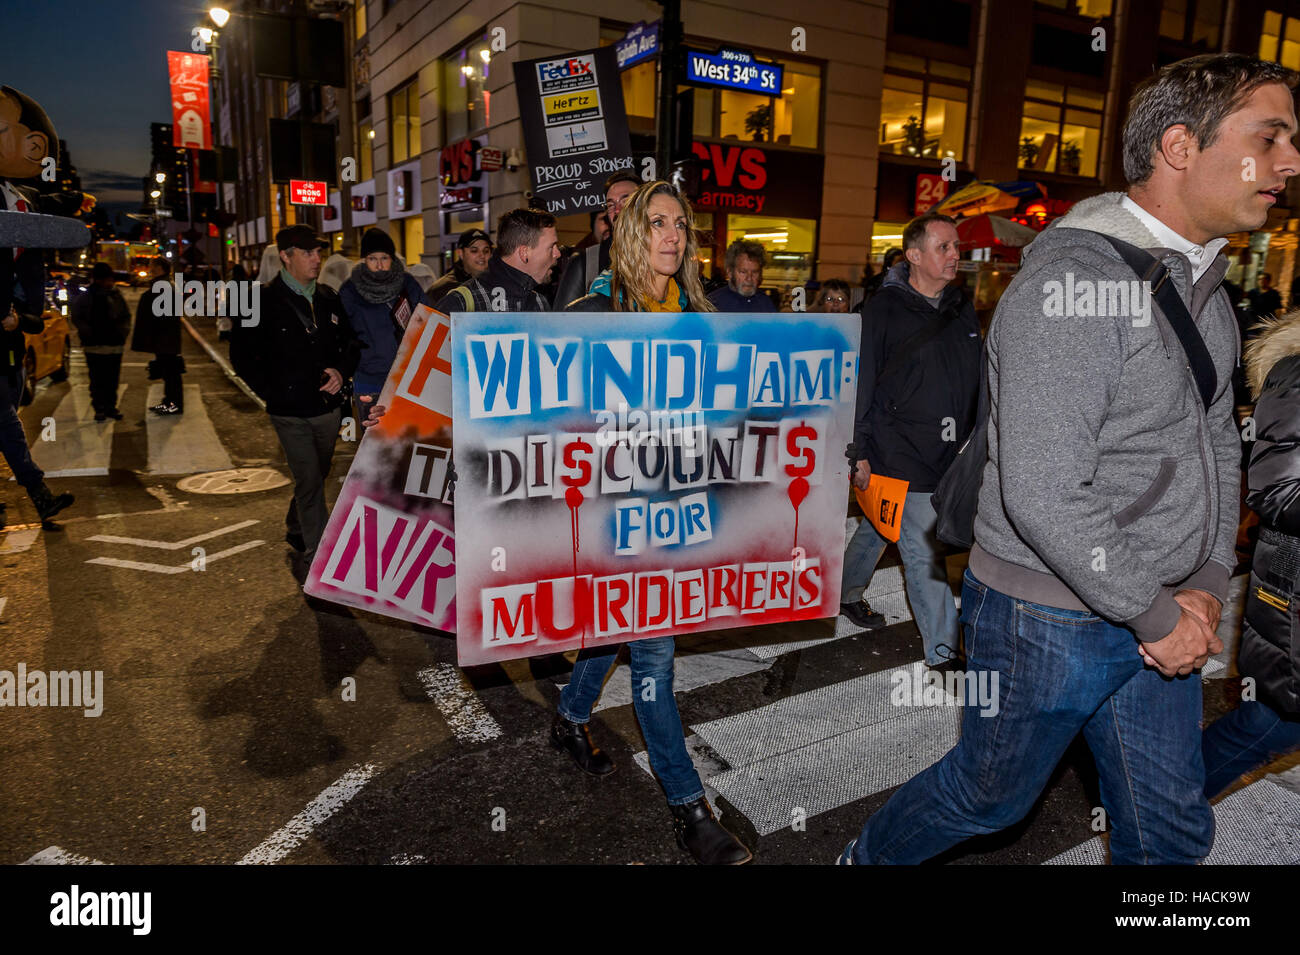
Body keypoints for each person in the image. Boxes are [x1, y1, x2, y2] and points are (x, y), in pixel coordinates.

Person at [841, 53, 1298, 867]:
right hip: (1045, 618)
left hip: (1156, 608)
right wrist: (1161, 617)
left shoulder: (1205, 284)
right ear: (1180, 146)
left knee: (1170, 833)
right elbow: (1047, 489)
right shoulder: (1074, 279)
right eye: (1270, 135)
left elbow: (1217, 443)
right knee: (989, 796)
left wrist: (1195, 583)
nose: (1290, 162)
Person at [561, 179, 751, 865]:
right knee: (654, 657)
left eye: (681, 224)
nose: (672, 234)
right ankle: (690, 808)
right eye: (658, 222)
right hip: (615, 515)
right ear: (632, 231)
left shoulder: (703, 318)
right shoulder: (590, 313)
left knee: (615, 630)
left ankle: (570, 714)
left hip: (677, 512)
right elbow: (527, 408)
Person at [841, 213, 980, 659]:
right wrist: (858, 449)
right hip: (900, 450)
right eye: (944, 247)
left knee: (880, 527)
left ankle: (842, 589)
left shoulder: (962, 307)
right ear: (914, 256)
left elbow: (979, 375)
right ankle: (943, 653)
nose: (955, 255)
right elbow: (862, 382)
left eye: (956, 247)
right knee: (923, 551)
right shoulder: (881, 310)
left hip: (952, 452)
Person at [1201, 311, 1300, 797]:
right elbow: (1278, 491)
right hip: (1294, 594)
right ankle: (1156, 808)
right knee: (1272, 726)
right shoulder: (1297, 369)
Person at [230, 225, 358, 564]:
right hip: (288, 412)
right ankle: (323, 553)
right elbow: (241, 357)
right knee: (309, 478)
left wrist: (340, 370)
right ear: (286, 256)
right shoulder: (260, 301)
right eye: (308, 252)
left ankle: (296, 524)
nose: (317, 258)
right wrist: (272, 393)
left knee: (317, 473)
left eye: (319, 252)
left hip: (328, 409)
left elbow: (351, 345)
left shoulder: (329, 297)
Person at [339, 228, 425, 420]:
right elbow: (342, 333)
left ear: (392, 259)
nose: (379, 265)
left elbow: (425, 319)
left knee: (406, 437)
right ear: (364, 260)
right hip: (369, 378)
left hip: (406, 376)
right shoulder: (350, 290)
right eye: (372, 258)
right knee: (374, 441)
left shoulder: (408, 284)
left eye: (384, 258)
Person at [431, 208, 559, 314]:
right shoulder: (460, 302)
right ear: (524, 252)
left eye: (485, 250)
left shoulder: (539, 303)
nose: (557, 254)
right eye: (551, 247)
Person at [552, 171, 640, 308]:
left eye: (625, 201)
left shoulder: (664, 258)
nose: (617, 210)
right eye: (611, 205)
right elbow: (563, 323)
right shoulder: (585, 262)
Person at [69, 261, 130, 422]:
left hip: (114, 345)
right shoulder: (87, 297)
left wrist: (122, 334)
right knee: (97, 379)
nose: (110, 283)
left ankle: (110, 407)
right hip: (94, 345)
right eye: (107, 279)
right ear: (98, 280)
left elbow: (125, 316)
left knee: (112, 379)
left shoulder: (115, 295)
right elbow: (77, 317)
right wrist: (88, 332)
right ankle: (100, 408)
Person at [131, 257, 184, 415]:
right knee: (169, 373)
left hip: (165, 338)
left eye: (152, 266)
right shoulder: (164, 285)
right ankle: (170, 402)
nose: (149, 269)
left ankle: (173, 404)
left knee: (171, 373)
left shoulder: (164, 287)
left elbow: (163, 316)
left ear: (160, 268)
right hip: (165, 338)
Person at [425, 228, 492, 304]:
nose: (482, 255)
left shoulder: (497, 283)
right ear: (460, 253)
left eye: (486, 251)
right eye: (474, 251)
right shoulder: (441, 289)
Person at [707, 239, 776, 312]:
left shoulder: (765, 303)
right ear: (730, 272)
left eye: (755, 272)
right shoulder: (712, 304)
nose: (749, 278)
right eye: (743, 272)